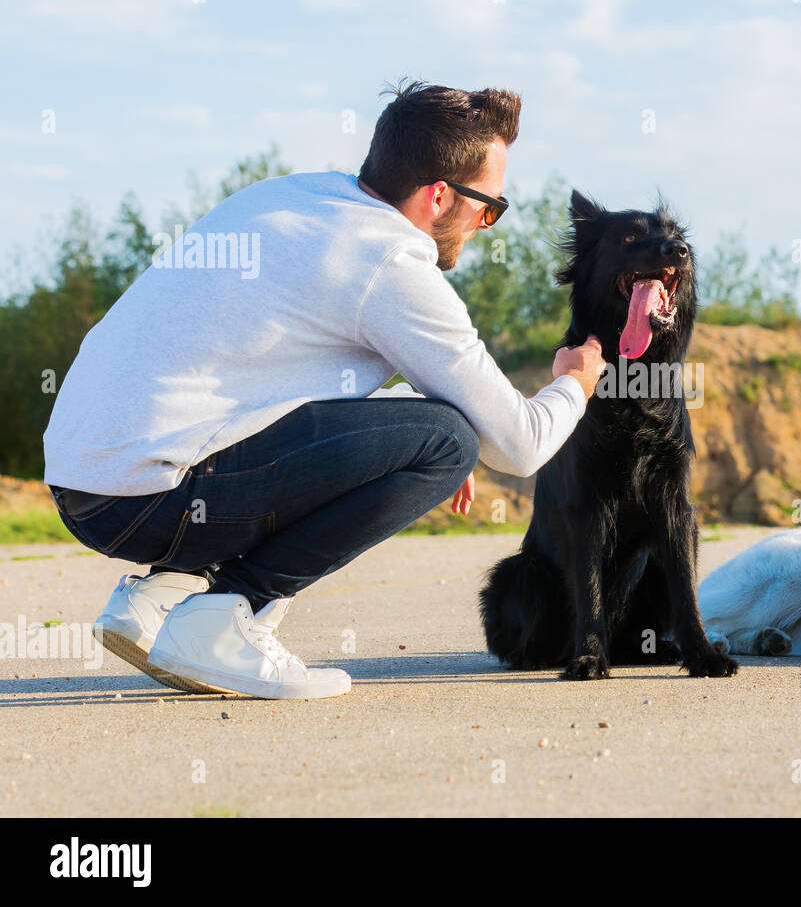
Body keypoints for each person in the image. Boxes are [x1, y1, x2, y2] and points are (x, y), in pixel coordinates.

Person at [42, 81, 606, 700]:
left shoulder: (292, 197)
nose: (484, 225)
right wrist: (573, 384)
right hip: (149, 497)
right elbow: (520, 447)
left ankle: (163, 597)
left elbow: (262, 390)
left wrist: (402, 418)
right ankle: (231, 614)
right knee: (447, 442)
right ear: (440, 195)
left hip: (86, 483)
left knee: (431, 426)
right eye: (488, 206)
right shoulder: (389, 261)